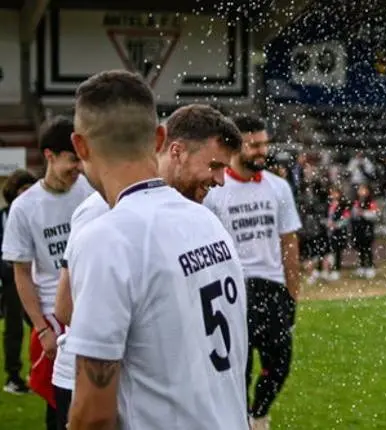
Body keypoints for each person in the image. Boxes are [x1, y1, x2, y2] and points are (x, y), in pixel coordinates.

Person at [64, 70, 249, 430]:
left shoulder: (107, 237)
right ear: (160, 137)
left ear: (80, 147)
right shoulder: (207, 221)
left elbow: (93, 416)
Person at [202, 113, 302, 430]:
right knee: (237, 367)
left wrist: (293, 294)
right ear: (236, 147)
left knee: (280, 363)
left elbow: (288, 242)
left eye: (264, 144)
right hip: (234, 288)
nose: (261, 151)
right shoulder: (216, 190)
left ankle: (258, 414)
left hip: (271, 288)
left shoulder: (279, 187)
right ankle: (240, 418)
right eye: (254, 145)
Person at [1, 116, 94, 429]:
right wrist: (42, 329)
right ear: (49, 156)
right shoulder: (25, 208)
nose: (78, 168)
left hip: (93, 306)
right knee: (59, 406)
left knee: (98, 398)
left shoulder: (90, 191)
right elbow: (22, 274)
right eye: (72, 160)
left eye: (81, 160)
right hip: (55, 318)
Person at [0, 168, 38, 395]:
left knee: (41, 326)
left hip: (37, 279)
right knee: (13, 330)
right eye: (23, 189)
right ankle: (13, 376)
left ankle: (40, 371)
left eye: (30, 189)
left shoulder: (37, 215)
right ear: (13, 192)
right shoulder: (3, 216)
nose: (27, 194)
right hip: (11, 280)